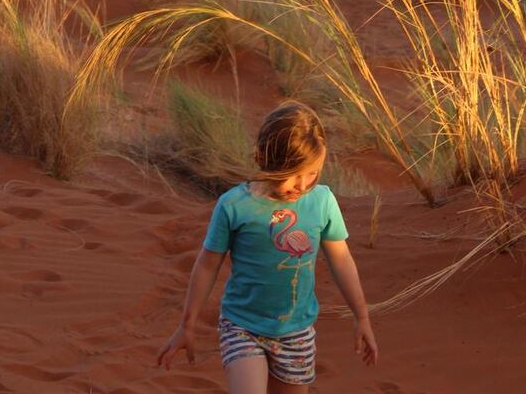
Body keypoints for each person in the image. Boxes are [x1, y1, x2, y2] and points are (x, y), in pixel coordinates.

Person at [157, 101, 378, 391]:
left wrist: (361, 316)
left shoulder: (322, 201)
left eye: (312, 173)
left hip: (296, 332)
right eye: (293, 173)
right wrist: (187, 324)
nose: (302, 184)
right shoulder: (235, 206)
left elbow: (341, 260)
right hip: (242, 327)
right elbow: (208, 264)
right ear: (265, 159)